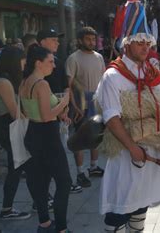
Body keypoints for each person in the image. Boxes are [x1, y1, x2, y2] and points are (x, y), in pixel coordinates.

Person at [96, 0, 160, 233]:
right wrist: (132, 147)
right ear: (127, 44)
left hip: (151, 145)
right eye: (139, 42)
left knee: (141, 201)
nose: (145, 47)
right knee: (120, 203)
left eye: (147, 43)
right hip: (125, 151)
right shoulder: (112, 76)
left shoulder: (153, 73)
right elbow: (111, 116)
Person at [20, 45, 72, 233]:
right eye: (50, 62)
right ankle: (61, 228)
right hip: (47, 135)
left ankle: (44, 223)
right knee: (64, 182)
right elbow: (45, 114)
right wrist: (64, 103)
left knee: (40, 181)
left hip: (33, 133)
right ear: (38, 63)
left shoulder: (25, 81)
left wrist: (58, 112)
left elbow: (29, 112)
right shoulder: (41, 84)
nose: (54, 66)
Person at [38, 29, 82, 195]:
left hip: (60, 114)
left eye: (58, 40)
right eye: (53, 40)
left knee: (61, 150)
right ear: (42, 42)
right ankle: (45, 194)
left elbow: (65, 85)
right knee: (48, 156)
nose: (57, 43)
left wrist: (65, 106)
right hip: (44, 118)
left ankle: (64, 182)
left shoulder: (58, 61)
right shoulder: (35, 63)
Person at [0, 46, 32, 220]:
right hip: (8, 130)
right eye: (23, 61)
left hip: (11, 129)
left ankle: (39, 201)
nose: (25, 64)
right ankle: (7, 209)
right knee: (18, 168)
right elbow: (14, 111)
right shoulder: (3, 82)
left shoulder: (9, 80)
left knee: (21, 168)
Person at [66, 27, 106, 189]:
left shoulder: (99, 57)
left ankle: (94, 166)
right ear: (80, 40)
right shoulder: (73, 58)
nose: (91, 42)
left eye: (93, 39)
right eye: (88, 39)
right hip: (80, 101)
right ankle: (80, 172)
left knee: (97, 135)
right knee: (81, 138)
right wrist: (75, 106)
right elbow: (68, 86)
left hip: (97, 100)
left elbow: (104, 80)